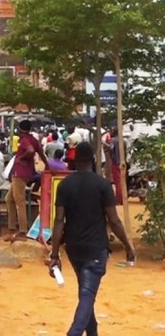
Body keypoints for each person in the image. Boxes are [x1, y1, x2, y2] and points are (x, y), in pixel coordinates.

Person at [49, 142, 135, 336]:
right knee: (87, 295)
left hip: (74, 249)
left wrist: (54, 255)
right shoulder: (102, 185)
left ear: (74, 160)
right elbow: (114, 221)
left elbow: (59, 221)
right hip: (96, 250)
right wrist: (128, 246)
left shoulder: (64, 185)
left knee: (85, 292)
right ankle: (74, 332)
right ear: (93, 160)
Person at [6, 119, 48, 241]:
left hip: (19, 172)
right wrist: (47, 167)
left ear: (19, 129)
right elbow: (41, 153)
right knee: (9, 199)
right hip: (27, 172)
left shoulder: (24, 140)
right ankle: (12, 229)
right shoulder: (34, 139)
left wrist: (21, 158)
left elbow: (30, 151)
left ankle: (22, 231)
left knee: (19, 202)